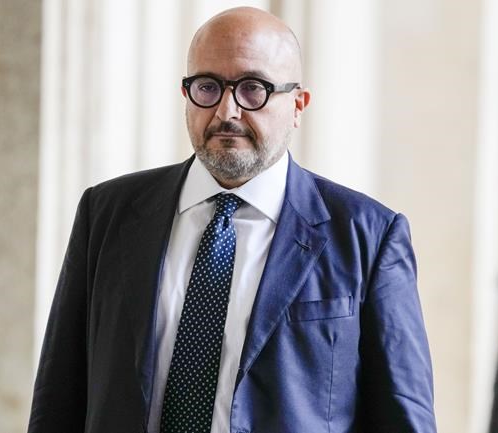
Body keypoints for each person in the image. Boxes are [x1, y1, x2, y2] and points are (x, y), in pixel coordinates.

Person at [27, 6, 436, 433]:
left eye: (253, 89)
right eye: (207, 87)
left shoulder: (368, 236)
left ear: (298, 105)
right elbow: (59, 396)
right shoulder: (107, 213)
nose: (227, 111)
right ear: (186, 95)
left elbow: (404, 417)